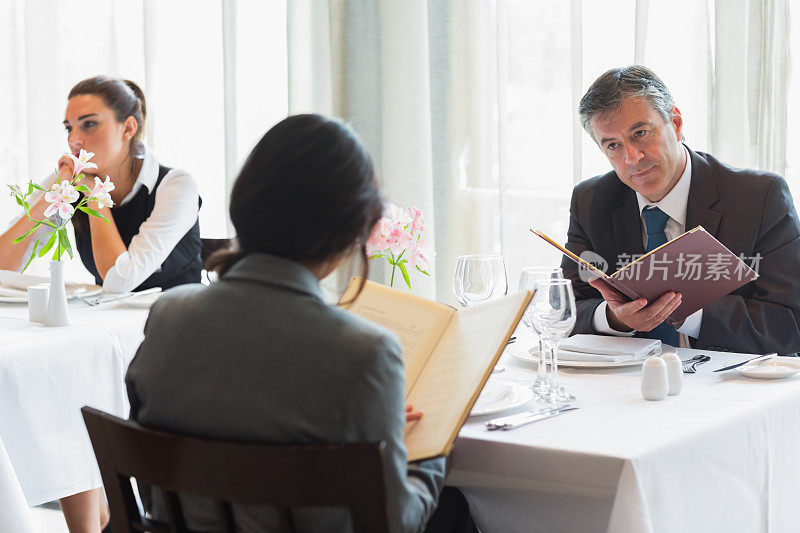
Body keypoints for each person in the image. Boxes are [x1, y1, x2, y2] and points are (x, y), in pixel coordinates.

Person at [126, 114, 474, 532]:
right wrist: (432, 449)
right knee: (455, 508)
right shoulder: (364, 353)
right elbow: (395, 524)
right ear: (352, 230)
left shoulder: (167, 315)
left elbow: (152, 485)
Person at [562, 65, 800, 355]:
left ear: (675, 123)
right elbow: (566, 308)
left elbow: (789, 324)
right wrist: (614, 318)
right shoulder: (591, 200)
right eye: (613, 145)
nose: (632, 158)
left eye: (640, 133)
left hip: (726, 386)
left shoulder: (760, 197)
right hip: (626, 386)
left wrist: (684, 312)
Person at [0, 76, 202, 293]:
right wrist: (50, 197)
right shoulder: (72, 178)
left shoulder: (176, 185)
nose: (74, 140)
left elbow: (119, 282)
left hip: (176, 321)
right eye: (69, 128)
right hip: (107, 322)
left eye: (89, 124)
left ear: (128, 129)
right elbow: (4, 268)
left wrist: (95, 192)